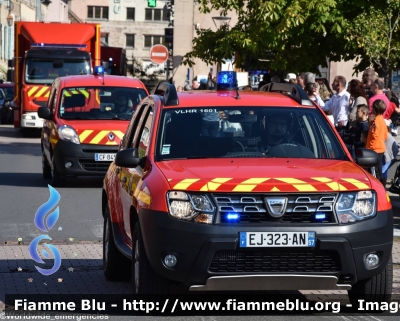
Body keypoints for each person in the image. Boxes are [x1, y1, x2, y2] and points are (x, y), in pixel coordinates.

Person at [366, 99, 388, 186]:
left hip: (374, 149)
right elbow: (386, 135)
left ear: (375, 109)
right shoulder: (382, 120)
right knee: (378, 170)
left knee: (374, 172)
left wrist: (370, 127)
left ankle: (376, 187)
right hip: (380, 148)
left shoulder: (375, 121)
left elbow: (374, 135)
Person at [382, 119, 399, 184]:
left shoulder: (385, 134)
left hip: (389, 153)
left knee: (383, 171)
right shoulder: (386, 133)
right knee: (383, 170)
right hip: (388, 152)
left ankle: (383, 187)